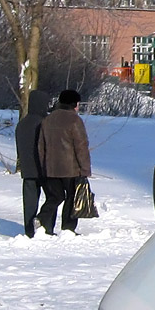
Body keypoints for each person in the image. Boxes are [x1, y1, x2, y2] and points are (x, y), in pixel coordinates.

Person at [36, 89, 92, 235]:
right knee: (71, 198)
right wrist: (85, 168)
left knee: (55, 197)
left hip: (51, 168)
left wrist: (43, 166)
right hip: (71, 168)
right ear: (74, 104)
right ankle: (68, 228)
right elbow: (81, 146)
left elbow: (41, 146)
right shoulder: (75, 120)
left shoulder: (48, 119)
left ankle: (44, 223)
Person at [14, 89, 51, 238]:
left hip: (27, 170)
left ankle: (29, 230)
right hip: (44, 169)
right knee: (52, 197)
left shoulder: (22, 124)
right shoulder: (44, 123)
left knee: (29, 203)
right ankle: (46, 227)